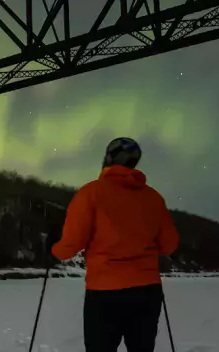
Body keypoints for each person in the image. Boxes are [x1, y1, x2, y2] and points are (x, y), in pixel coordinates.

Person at [51, 137, 179, 352]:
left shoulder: (90, 193)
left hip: (105, 293)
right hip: (147, 291)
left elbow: (70, 245)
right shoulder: (153, 198)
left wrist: (53, 249)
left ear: (108, 158)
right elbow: (170, 245)